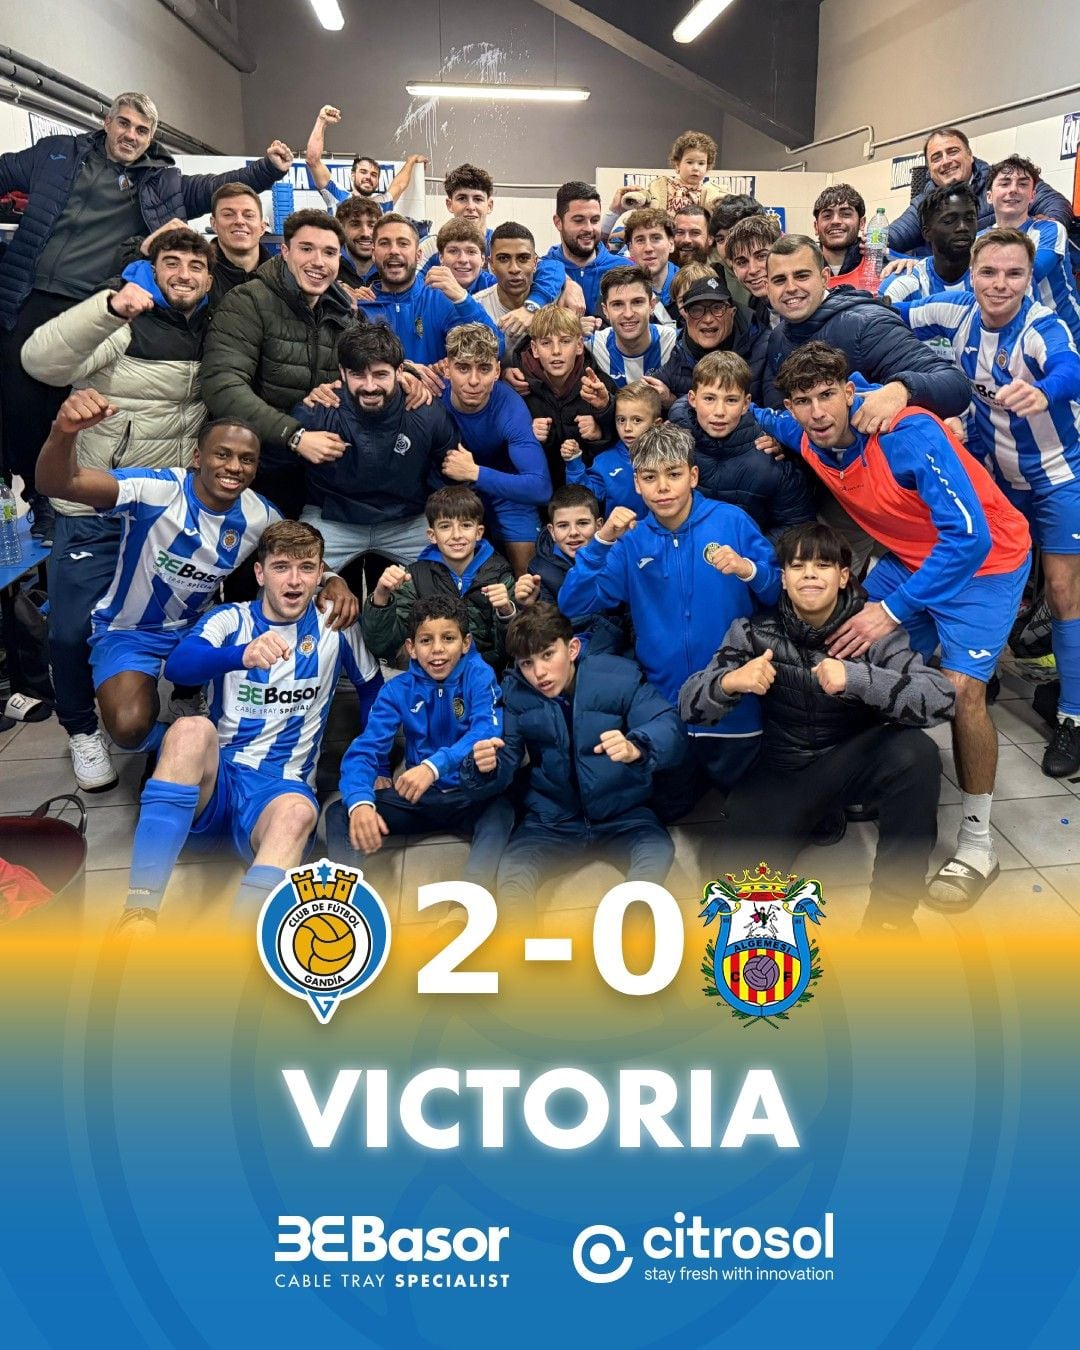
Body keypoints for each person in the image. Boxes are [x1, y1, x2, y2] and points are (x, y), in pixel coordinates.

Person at [755, 341, 1031, 909]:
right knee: (844, 648)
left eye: (827, 395)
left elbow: (969, 538)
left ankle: (979, 843)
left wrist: (892, 610)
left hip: (987, 563)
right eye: (803, 402)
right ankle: (875, 777)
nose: (818, 412)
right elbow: (759, 417)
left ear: (849, 391)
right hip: (912, 557)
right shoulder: (804, 435)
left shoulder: (906, 433)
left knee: (961, 692)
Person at [0, 91, 292, 539]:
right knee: (20, 397)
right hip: (33, 292)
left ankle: (70, 495)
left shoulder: (162, 181)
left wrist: (267, 169)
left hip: (104, 301)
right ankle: (40, 494)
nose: (131, 135)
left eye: (142, 130)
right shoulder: (56, 154)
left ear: (151, 136)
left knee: (79, 404)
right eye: (124, 124)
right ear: (107, 122)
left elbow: (214, 187)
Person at [34, 394, 351, 758]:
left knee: (257, 672)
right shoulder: (157, 490)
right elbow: (60, 484)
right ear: (198, 458)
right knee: (128, 727)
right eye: (223, 454)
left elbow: (299, 556)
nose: (234, 466)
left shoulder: (260, 514)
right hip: (130, 630)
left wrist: (334, 580)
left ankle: (196, 703)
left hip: (197, 626)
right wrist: (64, 432)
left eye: (247, 459)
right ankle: (181, 742)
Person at [680, 522, 955, 933]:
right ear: (783, 579)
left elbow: (942, 699)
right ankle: (817, 818)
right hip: (785, 768)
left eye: (823, 565)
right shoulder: (753, 631)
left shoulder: (871, 633)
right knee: (731, 884)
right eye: (798, 566)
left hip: (855, 761)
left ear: (843, 576)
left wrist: (858, 678)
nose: (809, 574)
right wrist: (730, 682)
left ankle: (891, 920)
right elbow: (688, 706)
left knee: (917, 753)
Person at [20, 227, 214, 791]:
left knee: (188, 610)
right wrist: (110, 307)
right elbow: (40, 361)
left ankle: (186, 696)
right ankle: (81, 730)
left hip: (165, 512)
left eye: (195, 266)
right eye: (171, 262)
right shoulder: (123, 317)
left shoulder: (214, 325)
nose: (183, 274)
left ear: (209, 278)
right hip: (96, 503)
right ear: (152, 268)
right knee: (71, 630)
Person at [119, 519, 381, 936]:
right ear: (260, 573)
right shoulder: (230, 619)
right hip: (217, 784)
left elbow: (372, 691)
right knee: (189, 729)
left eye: (306, 568)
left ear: (321, 574)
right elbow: (179, 666)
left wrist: (377, 766)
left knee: (300, 813)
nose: (294, 581)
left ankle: (241, 946)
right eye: (281, 567)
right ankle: (138, 915)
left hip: (280, 792)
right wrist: (240, 655)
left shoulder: (335, 626)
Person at [898, 228, 1080, 780]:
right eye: (989, 272)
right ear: (972, 274)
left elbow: (1071, 367)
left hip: (1058, 475)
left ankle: (1073, 717)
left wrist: (1045, 391)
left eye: (1014, 273)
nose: (1001, 284)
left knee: (1062, 591)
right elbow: (888, 317)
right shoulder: (955, 310)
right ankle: (981, 668)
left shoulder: (1042, 327)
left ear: (1029, 278)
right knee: (985, 574)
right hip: (995, 475)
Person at [558, 422, 781, 820]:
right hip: (666, 708)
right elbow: (574, 604)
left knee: (752, 821)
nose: (662, 488)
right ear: (637, 484)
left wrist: (749, 570)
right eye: (649, 477)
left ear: (692, 476)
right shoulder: (630, 540)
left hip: (735, 702)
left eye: (673, 474)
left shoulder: (732, 521)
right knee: (666, 812)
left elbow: (778, 592)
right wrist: (602, 541)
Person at [461, 605, 686, 916]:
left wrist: (638, 747)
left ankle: (627, 927)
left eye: (547, 655)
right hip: (552, 818)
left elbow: (668, 725)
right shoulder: (515, 693)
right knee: (513, 873)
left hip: (622, 811)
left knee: (656, 852)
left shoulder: (618, 676)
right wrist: (483, 768)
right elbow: (506, 759)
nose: (539, 672)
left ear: (572, 649)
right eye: (527, 663)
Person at [329, 594, 509, 887]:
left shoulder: (479, 676)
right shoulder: (397, 690)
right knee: (340, 812)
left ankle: (470, 898)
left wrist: (433, 767)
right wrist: (360, 802)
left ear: (465, 643)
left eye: (448, 638)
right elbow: (365, 750)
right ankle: (347, 899)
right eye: (426, 640)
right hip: (419, 797)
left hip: (470, 795)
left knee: (502, 811)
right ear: (411, 648)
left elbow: (485, 731)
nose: (437, 649)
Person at [200, 208, 361, 520]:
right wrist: (295, 436)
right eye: (306, 249)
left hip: (318, 471)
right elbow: (222, 385)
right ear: (285, 252)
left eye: (329, 252)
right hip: (257, 470)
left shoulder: (342, 310)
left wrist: (406, 373)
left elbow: (371, 359)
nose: (318, 261)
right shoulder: (247, 301)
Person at [291, 325, 458, 571]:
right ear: (342, 372)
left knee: (457, 570)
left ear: (399, 371)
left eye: (380, 375)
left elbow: (451, 478)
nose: (370, 386)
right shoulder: (318, 411)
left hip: (408, 522)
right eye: (358, 375)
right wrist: (297, 440)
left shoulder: (426, 412)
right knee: (289, 575)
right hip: (332, 520)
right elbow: (278, 467)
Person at [762, 235, 973, 425]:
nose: (791, 288)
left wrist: (902, 390)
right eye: (779, 280)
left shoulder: (867, 325)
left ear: (824, 278)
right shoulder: (778, 337)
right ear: (768, 287)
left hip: (878, 454)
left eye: (801, 276)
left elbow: (955, 386)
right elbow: (780, 405)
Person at [439, 323, 552, 575]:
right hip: (450, 492)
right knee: (444, 570)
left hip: (506, 488)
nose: (474, 381)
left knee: (528, 576)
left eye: (484, 368)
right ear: (446, 368)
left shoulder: (508, 405)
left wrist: (475, 472)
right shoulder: (430, 396)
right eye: (463, 368)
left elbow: (541, 488)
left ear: (497, 371)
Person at [361, 485, 515, 669]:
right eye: (445, 526)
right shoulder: (415, 577)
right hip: (430, 677)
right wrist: (381, 597)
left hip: (487, 677)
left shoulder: (500, 575)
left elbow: (513, 650)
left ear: (479, 532)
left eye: (466, 525)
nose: (456, 535)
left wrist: (506, 613)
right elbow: (383, 646)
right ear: (432, 535)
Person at [669, 351, 815, 540]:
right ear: (692, 399)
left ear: (746, 403)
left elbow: (797, 527)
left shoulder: (772, 460)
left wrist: (749, 550)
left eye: (731, 400)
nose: (719, 411)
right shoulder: (671, 444)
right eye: (709, 398)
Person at [886, 126, 1072, 257]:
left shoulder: (1001, 182)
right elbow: (891, 236)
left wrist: (1049, 226)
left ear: (970, 155)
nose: (946, 161)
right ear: (929, 168)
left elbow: (1055, 202)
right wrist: (911, 264)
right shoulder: (923, 203)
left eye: (952, 151)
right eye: (936, 157)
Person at [359, 213, 501, 377]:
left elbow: (496, 348)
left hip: (435, 393)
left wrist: (463, 299)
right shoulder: (359, 306)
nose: (394, 251)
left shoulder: (442, 300)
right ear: (373, 253)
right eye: (385, 243)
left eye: (403, 243)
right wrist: (405, 370)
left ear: (418, 255)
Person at [513, 303, 617, 489]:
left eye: (565, 341)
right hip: (541, 492)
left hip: (590, 492)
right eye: (546, 343)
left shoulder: (599, 384)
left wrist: (601, 430)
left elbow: (622, 444)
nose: (556, 351)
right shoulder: (518, 387)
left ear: (579, 345)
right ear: (534, 349)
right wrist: (528, 437)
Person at [984, 155, 1080, 347]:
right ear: (989, 196)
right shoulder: (979, 240)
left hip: (1069, 338)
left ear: (1033, 196)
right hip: (1016, 342)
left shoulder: (1051, 229)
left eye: (1022, 184)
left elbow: (1031, 273)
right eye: (1004, 183)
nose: (1013, 189)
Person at [644, 274, 757, 408]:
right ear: (686, 318)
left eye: (717, 308)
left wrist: (676, 404)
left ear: (732, 313)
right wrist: (667, 400)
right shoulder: (679, 355)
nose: (708, 319)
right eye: (696, 310)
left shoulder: (760, 347)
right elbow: (642, 394)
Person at [563, 379, 658, 518]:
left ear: (656, 424)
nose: (627, 428)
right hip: (623, 531)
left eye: (637, 420)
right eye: (621, 420)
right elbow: (583, 497)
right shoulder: (605, 460)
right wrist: (574, 463)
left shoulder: (670, 456)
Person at [303, 105, 425, 210]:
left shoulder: (382, 204)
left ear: (378, 181)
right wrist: (322, 121)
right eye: (363, 172)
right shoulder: (338, 196)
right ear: (353, 175)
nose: (368, 177)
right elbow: (313, 160)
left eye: (374, 175)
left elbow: (400, 184)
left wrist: (411, 160)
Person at [878, 185, 976, 305]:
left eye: (970, 219)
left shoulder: (994, 280)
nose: (963, 227)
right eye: (949, 221)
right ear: (927, 233)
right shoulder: (901, 283)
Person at [588, 266, 679, 388]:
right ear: (605, 310)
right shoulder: (593, 346)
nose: (628, 314)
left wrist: (671, 398)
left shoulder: (674, 342)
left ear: (652, 305)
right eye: (617, 304)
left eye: (637, 302)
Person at [546, 181, 624, 318]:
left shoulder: (623, 269)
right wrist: (563, 281)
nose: (588, 228)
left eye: (595, 220)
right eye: (578, 220)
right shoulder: (543, 271)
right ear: (558, 222)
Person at [205, 183, 272, 304]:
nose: (239, 221)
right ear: (214, 224)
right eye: (228, 214)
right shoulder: (199, 274)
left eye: (249, 215)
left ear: (263, 227)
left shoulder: (282, 276)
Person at [647, 130, 724, 218]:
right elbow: (644, 199)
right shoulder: (661, 187)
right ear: (677, 164)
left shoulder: (711, 193)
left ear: (707, 167)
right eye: (690, 162)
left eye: (701, 163)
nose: (696, 168)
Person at [475, 222, 539, 323]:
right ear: (491, 264)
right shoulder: (477, 307)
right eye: (503, 258)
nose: (514, 269)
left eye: (523, 258)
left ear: (535, 263)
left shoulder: (556, 303)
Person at [623, 208, 678, 321]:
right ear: (630, 249)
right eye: (640, 240)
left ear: (671, 244)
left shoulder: (691, 286)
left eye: (656, 238)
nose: (648, 248)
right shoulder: (619, 290)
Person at [812, 184, 866, 278]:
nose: (835, 221)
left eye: (846, 214)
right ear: (816, 227)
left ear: (861, 223)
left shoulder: (883, 268)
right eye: (827, 216)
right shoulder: (799, 267)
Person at [334, 195, 382, 288]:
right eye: (355, 225)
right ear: (341, 229)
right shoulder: (328, 268)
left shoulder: (392, 269)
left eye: (372, 225)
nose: (365, 233)